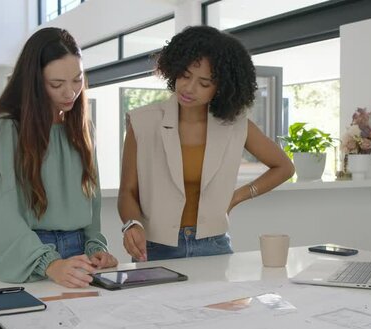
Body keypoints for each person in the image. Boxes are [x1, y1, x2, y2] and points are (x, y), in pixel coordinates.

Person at [118, 25, 295, 261]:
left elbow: (285, 167)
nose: (189, 89)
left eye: (204, 83)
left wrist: (237, 196)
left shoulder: (236, 125)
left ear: (222, 87)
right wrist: (132, 224)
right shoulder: (142, 122)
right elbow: (127, 192)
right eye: (185, 75)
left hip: (215, 245)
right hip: (155, 248)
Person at [0, 27, 117, 288]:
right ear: (34, 82)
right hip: (24, 258)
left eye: (77, 80)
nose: (70, 93)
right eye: (56, 84)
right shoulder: (5, 129)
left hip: (77, 254)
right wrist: (49, 263)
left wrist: (96, 246)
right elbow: (1, 215)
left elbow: (91, 199)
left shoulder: (82, 128)